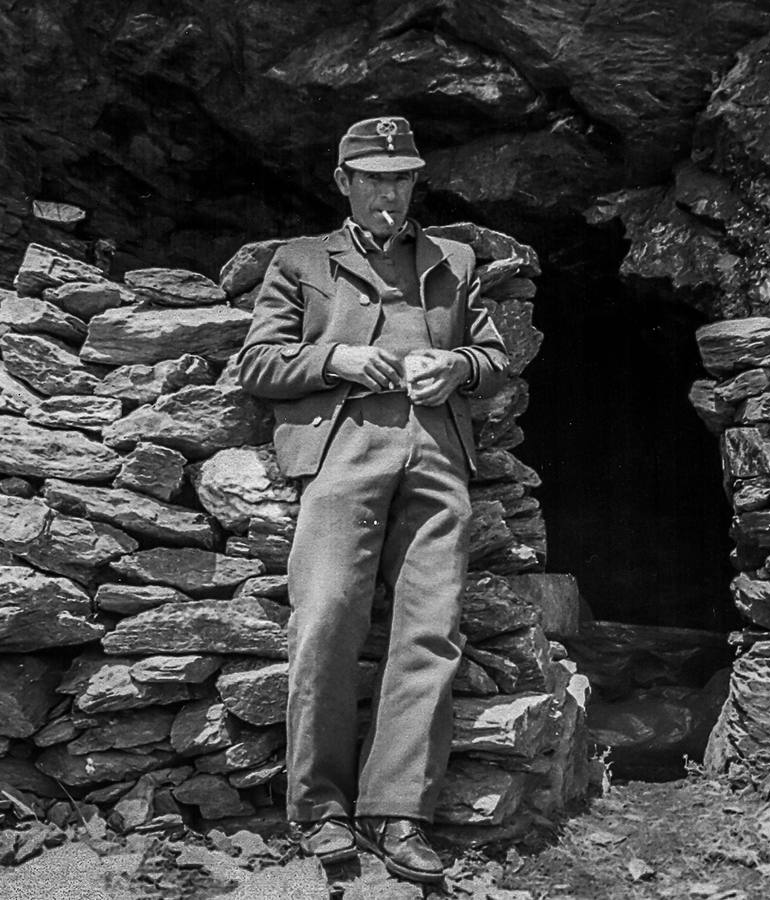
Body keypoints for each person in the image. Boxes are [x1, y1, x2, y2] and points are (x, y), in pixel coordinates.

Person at [236, 115, 508, 881]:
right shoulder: (299, 260)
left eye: (402, 179)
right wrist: (339, 359)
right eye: (373, 180)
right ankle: (320, 807)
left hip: (437, 450)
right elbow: (258, 364)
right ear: (344, 182)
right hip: (343, 449)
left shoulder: (454, 260)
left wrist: (458, 367)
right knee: (326, 617)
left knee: (431, 629)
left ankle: (398, 811)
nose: (389, 195)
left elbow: (494, 358)